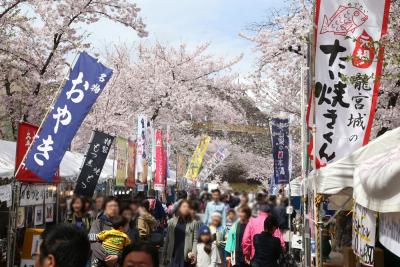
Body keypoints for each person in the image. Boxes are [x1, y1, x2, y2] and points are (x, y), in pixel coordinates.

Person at [163, 199, 199, 267]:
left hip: (186, 256)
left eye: (188, 207)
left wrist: (194, 253)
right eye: (184, 206)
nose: (186, 209)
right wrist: (164, 254)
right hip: (173, 255)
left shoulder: (194, 223)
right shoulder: (171, 222)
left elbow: (195, 240)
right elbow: (167, 239)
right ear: (179, 208)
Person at [89, 196, 120, 267]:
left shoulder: (122, 224)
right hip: (99, 262)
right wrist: (108, 257)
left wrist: (117, 256)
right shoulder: (98, 223)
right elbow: (94, 243)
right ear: (105, 208)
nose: (113, 208)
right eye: (110, 206)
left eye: (115, 206)